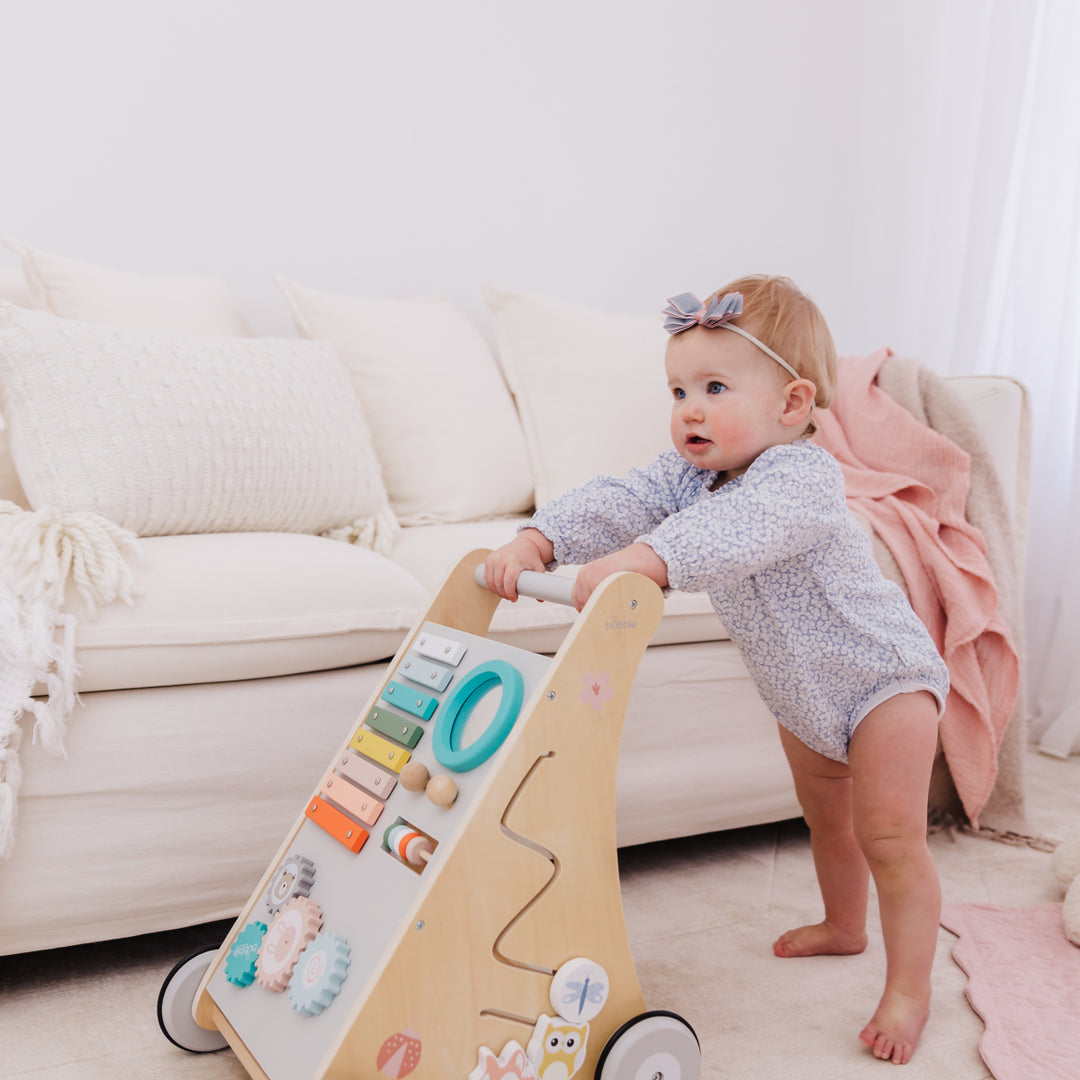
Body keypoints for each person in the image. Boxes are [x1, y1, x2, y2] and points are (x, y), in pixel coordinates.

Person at [483, 276, 949, 1066]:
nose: (689, 409)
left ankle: (909, 989)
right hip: (799, 691)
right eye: (679, 389)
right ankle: (845, 926)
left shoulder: (801, 477)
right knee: (825, 816)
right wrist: (542, 540)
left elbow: (735, 532)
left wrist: (649, 558)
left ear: (793, 404)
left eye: (715, 388)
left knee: (889, 833)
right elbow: (623, 497)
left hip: (884, 680)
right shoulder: (688, 475)